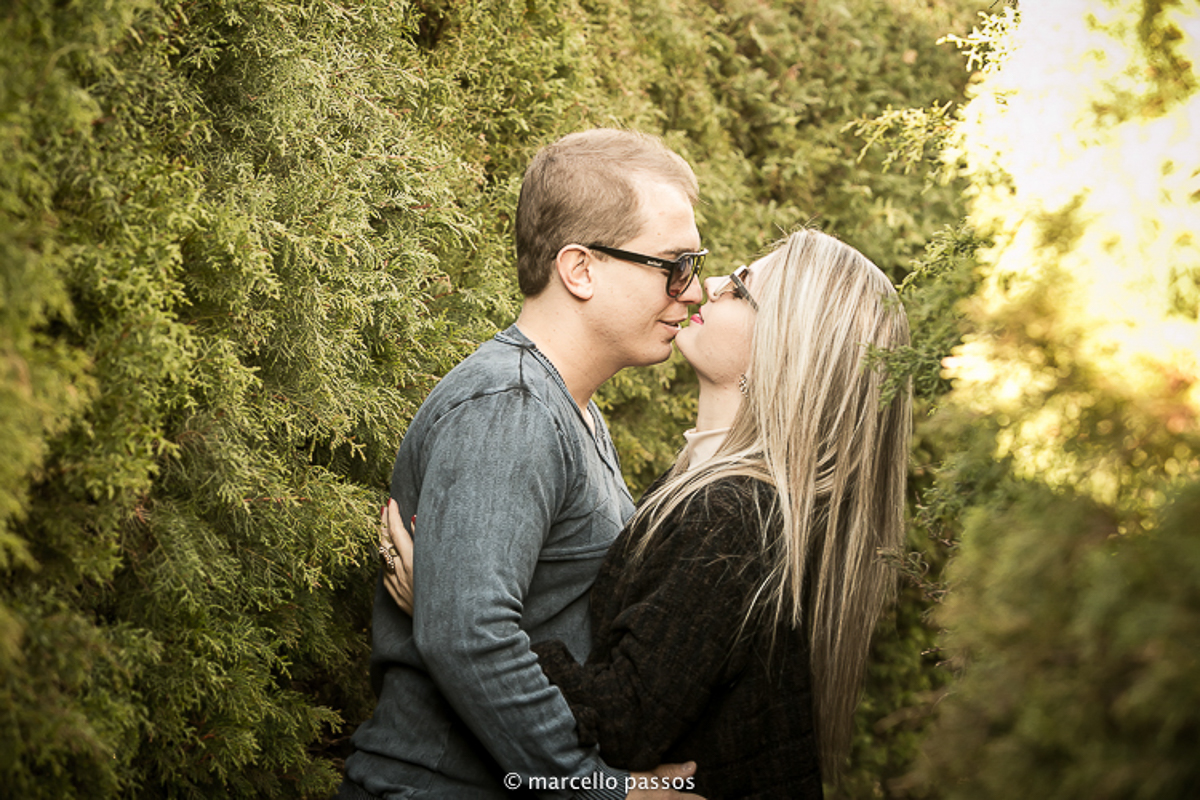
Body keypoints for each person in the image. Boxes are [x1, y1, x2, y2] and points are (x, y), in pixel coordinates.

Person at [381, 229, 913, 798]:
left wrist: (452, 606)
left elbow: (622, 725)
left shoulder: (734, 517)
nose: (708, 284)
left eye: (739, 289)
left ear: (786, 350)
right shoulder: (717, 491)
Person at [337, 128, 710, 800]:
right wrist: (605, 791)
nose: (694, 291)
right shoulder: (510, 407)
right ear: (580, 269)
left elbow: (504, 619)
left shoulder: (565, 407)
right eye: (675, 264)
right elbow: (469, 636)